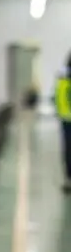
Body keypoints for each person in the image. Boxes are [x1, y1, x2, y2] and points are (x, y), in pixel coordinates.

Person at [55, 55, 71, 191]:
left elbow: (58, 99)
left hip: (66, 120)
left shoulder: (62, 77)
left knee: (68, 150)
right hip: (67, 120)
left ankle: (68, 178)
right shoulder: (65, 78)